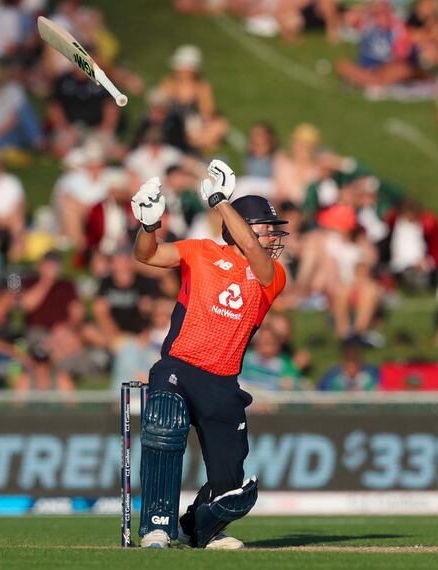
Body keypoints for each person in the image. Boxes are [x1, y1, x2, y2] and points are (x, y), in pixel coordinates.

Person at [130, 159, 289, 549]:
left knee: (229, 482)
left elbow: (251, 250)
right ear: (243, 226)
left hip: (222, 381)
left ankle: (195, 530)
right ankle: (156, 525)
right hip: (179, 367)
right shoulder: (200, 251)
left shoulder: (272, 275)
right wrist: (148, 226)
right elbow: (147, 256)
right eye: (266, 229)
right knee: (164, 428)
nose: (272, 237)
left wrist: (219, 200)